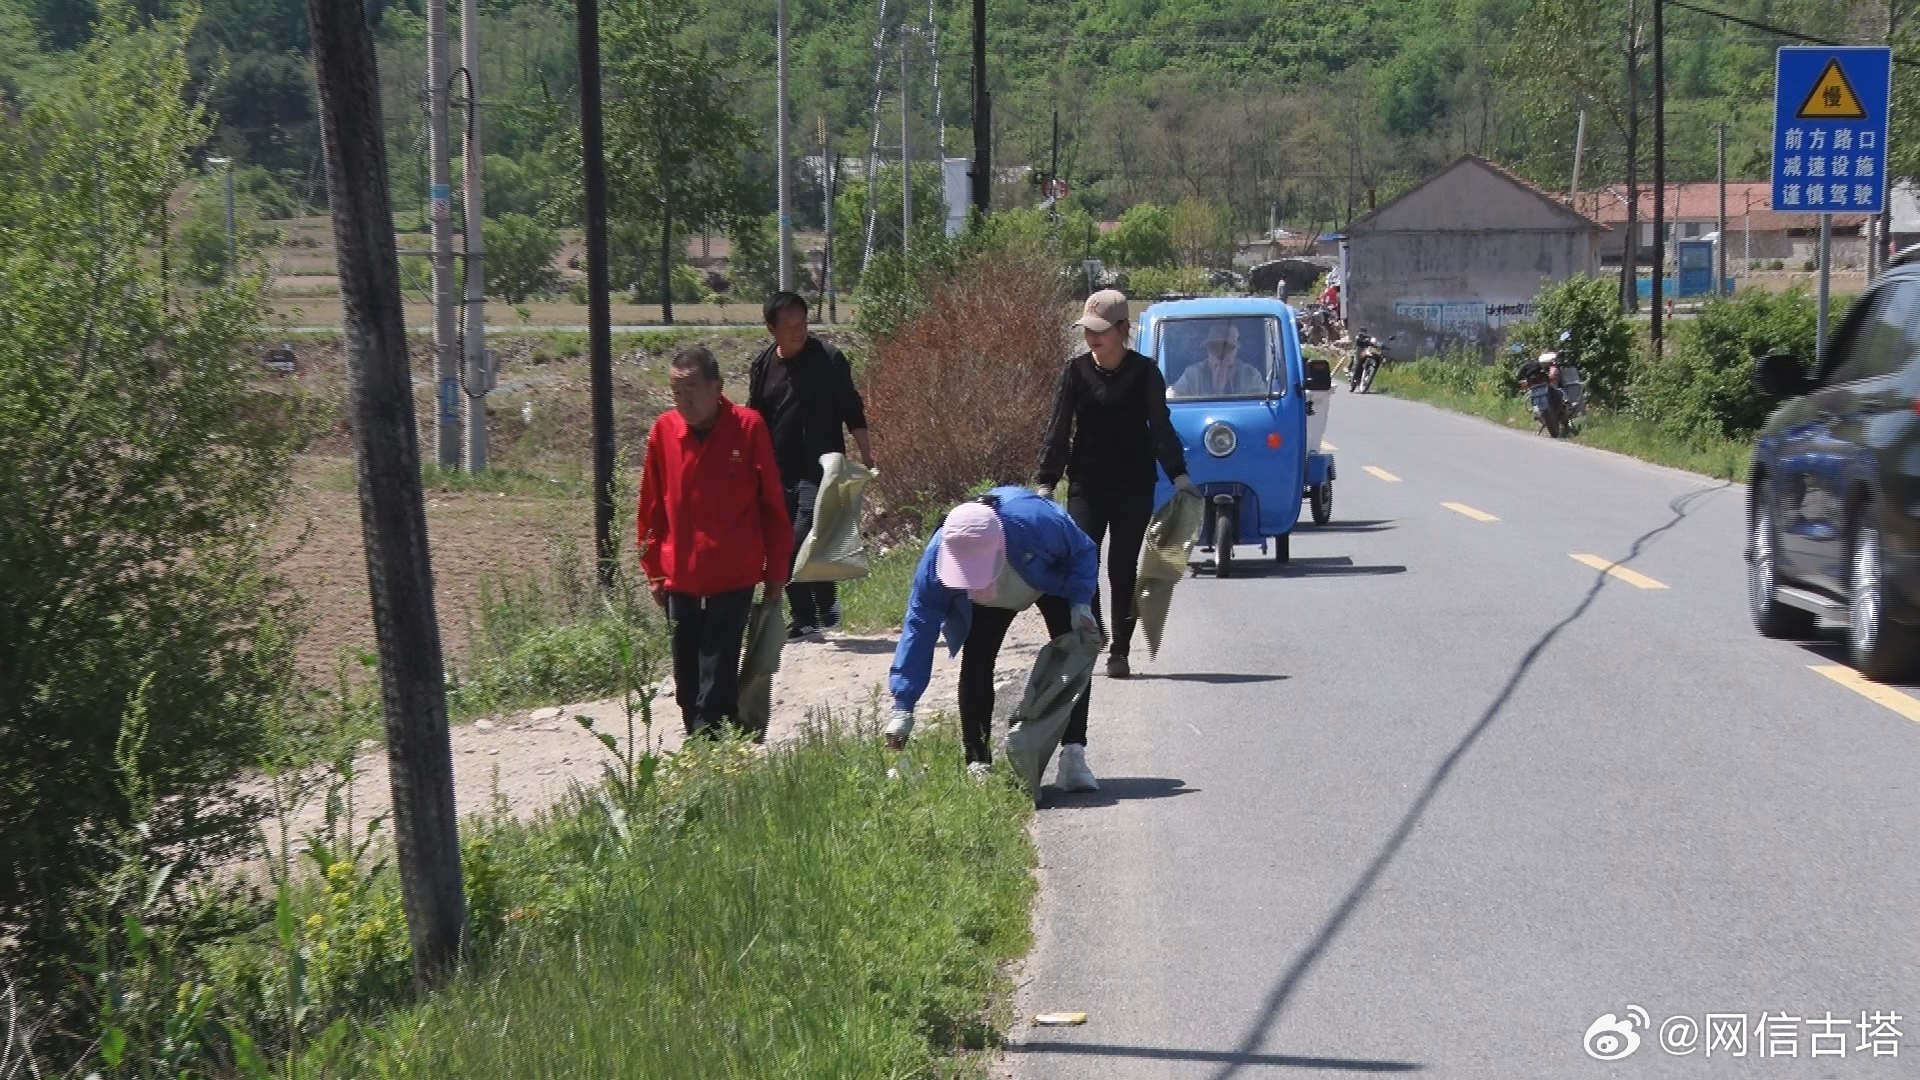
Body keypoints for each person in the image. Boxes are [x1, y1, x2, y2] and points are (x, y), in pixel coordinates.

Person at [1037, 288, 1198, 714]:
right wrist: (1045, 481)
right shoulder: (1073, 373)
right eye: (1088, 331)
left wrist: (1179, 475)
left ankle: (1121, 650)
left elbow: (1161, 428)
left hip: (1132, 486)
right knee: (1082, 564)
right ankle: (1094, 635)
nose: (1093, 339)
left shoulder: (1145, 373)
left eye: (1101, 332)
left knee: (1123, 567)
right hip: (1087, 484)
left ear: (1123, 330)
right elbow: (1058, 428)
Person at [883, 487, 1103, 785]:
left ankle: (1073, 755)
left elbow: (1083, 550)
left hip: (1051, 576)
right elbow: (919, 627)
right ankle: (978, 764)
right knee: (976, 659)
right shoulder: (938, 555)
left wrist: (1079, 602)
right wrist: (903, 705)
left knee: (1074, 652)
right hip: (996, 591)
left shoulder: (1038, 524)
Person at [637, 347, 793, 739]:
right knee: (687, 677)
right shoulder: (664, 432)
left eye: (692, 388)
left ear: (717, 386)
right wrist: (653, 570)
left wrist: (775, 573)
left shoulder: (747, 427)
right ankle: (706, 740)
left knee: (718, 670)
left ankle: (711, 749)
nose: (684, 400)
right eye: (676, 391)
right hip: (681, 575)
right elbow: (651, 506)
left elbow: (772, 506)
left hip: (733, 573)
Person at [748, 291, 874, 641]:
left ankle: (825, 597)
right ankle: (804, 616)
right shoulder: (762, 366)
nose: (798, 331)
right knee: (780, 543)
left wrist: (867, 454)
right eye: (789, 325)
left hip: (820, 470)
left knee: (799, 537)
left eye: (802, 323)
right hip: (777, 470)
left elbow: (852, 409)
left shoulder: (829, 359)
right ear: (771, 328)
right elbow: (754, 420)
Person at [1169, 321, 1268, 397]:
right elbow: (1172, 396)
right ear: (1207, 349)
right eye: (1214, 347)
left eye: (1227, 348)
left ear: (1236, 350)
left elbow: (1260, 405)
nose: (1220, 353)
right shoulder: (1193, 373)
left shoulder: (1250, 374)